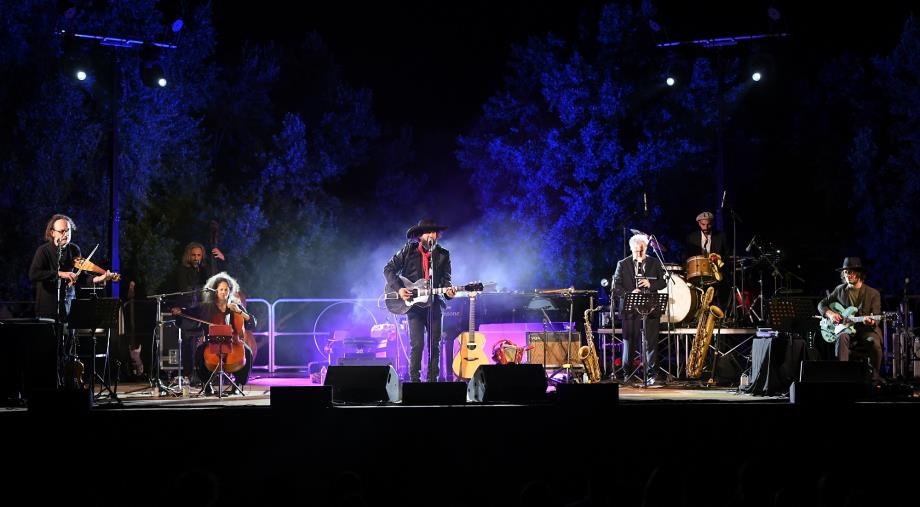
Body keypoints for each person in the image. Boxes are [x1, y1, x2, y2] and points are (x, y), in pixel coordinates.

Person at [384, 219, 456, 382]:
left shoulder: (443, 254)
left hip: (434, 304)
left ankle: (432, 381)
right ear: (419, 236)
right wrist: (400, 289)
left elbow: (446, 280)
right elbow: (388, 269)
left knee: (434, 345)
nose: (432, 235)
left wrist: (449, 292)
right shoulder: (408, 251)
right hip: (414, 306)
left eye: (434, 232)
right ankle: (414, 381)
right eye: (428, 232)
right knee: (417, 345)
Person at [172, 271, 253, 395]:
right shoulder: (206, 307)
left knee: (247, 352)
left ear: (230, 291)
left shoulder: (236, 306)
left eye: (226, 290)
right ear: (215, 291)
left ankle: (237, 384)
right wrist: (180, 312)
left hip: (233, 343)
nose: (224, 292)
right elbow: (190, 313)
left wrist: (240, 312)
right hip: (211, 341)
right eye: (221, 289)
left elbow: (252, 322)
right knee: (200, 352)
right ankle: (207, 384)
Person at [28, 214, 114, 320]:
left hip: (69, 308)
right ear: (52, 233)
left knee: (70, 335)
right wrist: (61, 274)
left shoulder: (74, 249)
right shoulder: (43, 251)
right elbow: (34, 274)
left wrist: (100, 278)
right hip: (47, 309)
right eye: (62, 231)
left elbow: (81, 276)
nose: (66, 234)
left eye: (68, 230)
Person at [817, 257, 882, 383]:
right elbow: (821, 304)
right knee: (842, 337)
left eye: (852, 272)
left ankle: (874, 378)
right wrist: (830, 314)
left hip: (865, 329)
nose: (849, 275)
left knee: (874, 342)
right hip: (845, 328)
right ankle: (842, 376)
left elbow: (877, 316)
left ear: (859, 274)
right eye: (846, 272)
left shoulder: (873, 293)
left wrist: (872, 321)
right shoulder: (839, 290)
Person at [613, 234, 667, 383]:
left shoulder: (654, 262)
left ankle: (652, 374)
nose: (640, 254)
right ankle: (627, 374)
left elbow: (663, 283)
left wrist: (651, 285)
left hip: (650, 307)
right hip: (630, 309)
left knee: (651, 342)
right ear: (631, 249)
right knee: (629, 342)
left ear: (646, 249)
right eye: (637, 251)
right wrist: (629, 293)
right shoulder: (622, 264)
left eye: (642, 251)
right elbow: (616, 286)